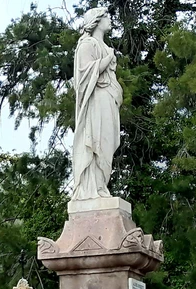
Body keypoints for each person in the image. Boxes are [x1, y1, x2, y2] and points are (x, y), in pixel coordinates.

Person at [71, 8, 121, 201]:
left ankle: (101, 187)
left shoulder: (105, 46)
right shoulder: (87, 45)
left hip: (109, 98)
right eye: (106, 16)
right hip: (96, 99)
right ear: (97, 20)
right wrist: (108, 59)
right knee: (96, 142)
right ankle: (92, 189)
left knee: (107, 143)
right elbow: (84, 75)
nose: (110, 19)